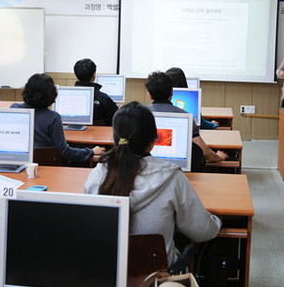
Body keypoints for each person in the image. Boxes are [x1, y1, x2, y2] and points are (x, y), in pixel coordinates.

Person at [83, 102, 221, 265]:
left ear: (115, 137)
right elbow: (202, 231)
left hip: (107, 274)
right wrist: (217, 221)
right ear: (154, 139)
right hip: (155, 277)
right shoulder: (172, 177)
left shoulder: (97, 175)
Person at [11, 73, 104, 164]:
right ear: (51, 94)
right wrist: (91, 152)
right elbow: (65, 152)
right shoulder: (53, 118)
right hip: (47, 165)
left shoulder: (15, 109)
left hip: (18, 163)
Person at [145, 71, 228, 164]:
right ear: (172, 92)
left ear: (150, 95)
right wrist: (218, 157)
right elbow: (204, 151)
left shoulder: (140, 115)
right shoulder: (185, 116)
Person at [73, 58, 118, 125]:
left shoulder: (68, 96)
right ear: (94, 75)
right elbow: (116, 118)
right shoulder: (104, 98)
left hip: (72, 134)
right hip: (100, 134)